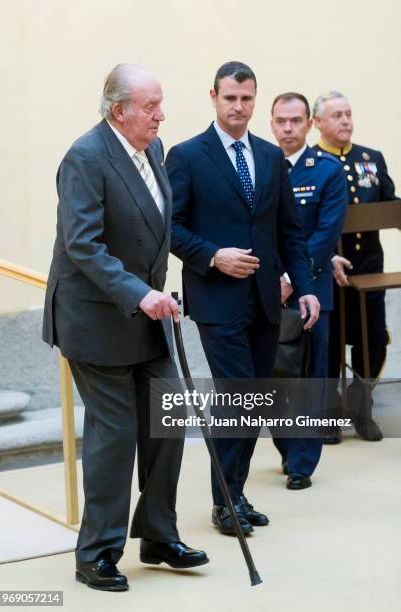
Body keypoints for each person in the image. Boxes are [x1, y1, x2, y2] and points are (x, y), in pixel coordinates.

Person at [42, 64, 208, 592]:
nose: (162, 114)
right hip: (96, 318)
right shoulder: (85, 157)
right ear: (119, 111)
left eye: (161, 103)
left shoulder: (152, 150)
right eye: (151, 106)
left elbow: (151, 228)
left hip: (147, 314)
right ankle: (96, 553)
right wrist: (141, 293)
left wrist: (157, 292)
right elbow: (82, 244)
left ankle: (158, 536)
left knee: (168, 418)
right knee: (115, 436)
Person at [166, 62, 319, 535]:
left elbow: (289, 230)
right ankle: (225, 502)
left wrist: (306, 286)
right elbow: (169, 228)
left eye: (247, 99)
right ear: (213, 96)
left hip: (266, 302)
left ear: (256, 100)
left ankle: (235, 492)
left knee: (255, 398)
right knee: (238, 398)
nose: (238, 107)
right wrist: (214, 256)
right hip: (217, 300)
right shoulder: (187, 155)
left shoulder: (271, 158)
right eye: (230, 98)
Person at [270, 92, 348, 488]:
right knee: (274, 378)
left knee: (309, 378)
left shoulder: (327, 170)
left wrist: (291, 279)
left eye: (295, 121)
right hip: (266, 291)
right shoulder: (263, 163)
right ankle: (287, 448)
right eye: (281, 121)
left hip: (311, 289)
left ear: (308, 124)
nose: (288, 128)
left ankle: (303, 462)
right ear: (271, 123)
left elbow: (324, 235)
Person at [313, 91, 398, 442]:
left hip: (369, 269)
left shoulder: (371, 158)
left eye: (348, 114)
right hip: (326, 271)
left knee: (373, 338)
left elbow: (389, 202)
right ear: (317, 122)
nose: (346, 120)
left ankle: (361, 402)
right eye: (336, 115)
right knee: (329, 343)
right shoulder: (310, 161)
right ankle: (331, 407)